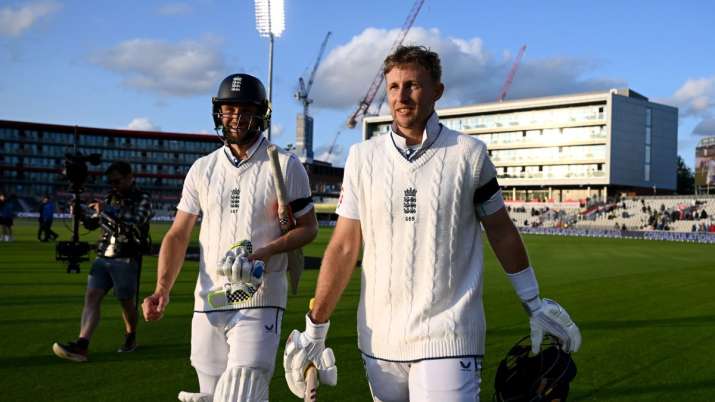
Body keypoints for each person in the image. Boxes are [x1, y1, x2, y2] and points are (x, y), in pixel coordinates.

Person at [283, 46, 582, 402]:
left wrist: (533, 300)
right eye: (393, 87)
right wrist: (315, 327)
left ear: (437, 90)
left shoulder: (469, 154)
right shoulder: (362, 158)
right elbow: (345, 246)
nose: (401, 96)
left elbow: (501, 231)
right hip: (380, 339)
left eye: (412, 85)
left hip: (450, 333)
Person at [142, 73, 318, 402]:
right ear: (218, 113)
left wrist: (266, 252)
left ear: (260, 113)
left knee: (243, 390)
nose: (235, 116)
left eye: (244, 109)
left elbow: (309, 228)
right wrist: (161, 289)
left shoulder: (285, 164)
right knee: (210, 392)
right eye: (228, 109)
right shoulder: (203, 168)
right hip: (210, 299)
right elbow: (178, 234)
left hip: (260, 294)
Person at [52, 161, 152, 362]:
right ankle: (82, 344)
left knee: (126, 302)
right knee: (91, 297)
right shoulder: (110, 198)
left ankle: (130, 335)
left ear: (129, 177)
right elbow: (95, 223)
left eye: (117, 181)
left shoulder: (142, 198)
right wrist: (81, 215)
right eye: (111, 182)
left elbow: (135, 221)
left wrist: (105, 210)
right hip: (103, 254)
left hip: (126, 256)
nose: (113, 185)